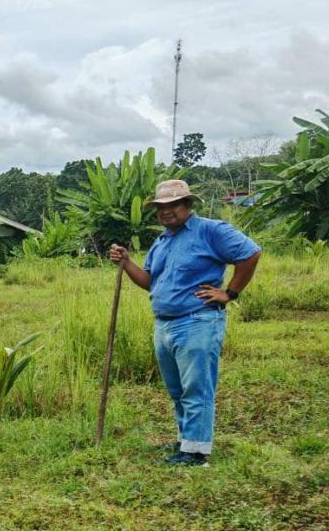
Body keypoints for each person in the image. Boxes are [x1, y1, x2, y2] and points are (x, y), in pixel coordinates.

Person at [109, 179, 261, 467]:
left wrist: (229, 293)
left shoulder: (211, 230)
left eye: (173, 204)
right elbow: (150, 281)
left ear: (188, 204)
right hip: (165, 324)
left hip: (197, 321)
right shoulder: (162, 241)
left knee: (196, 388)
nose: (166, 211)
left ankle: (196, 453)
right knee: (177, 389)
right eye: (160, 207)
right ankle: (186, 442)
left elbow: (251, 253)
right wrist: (126, 263)